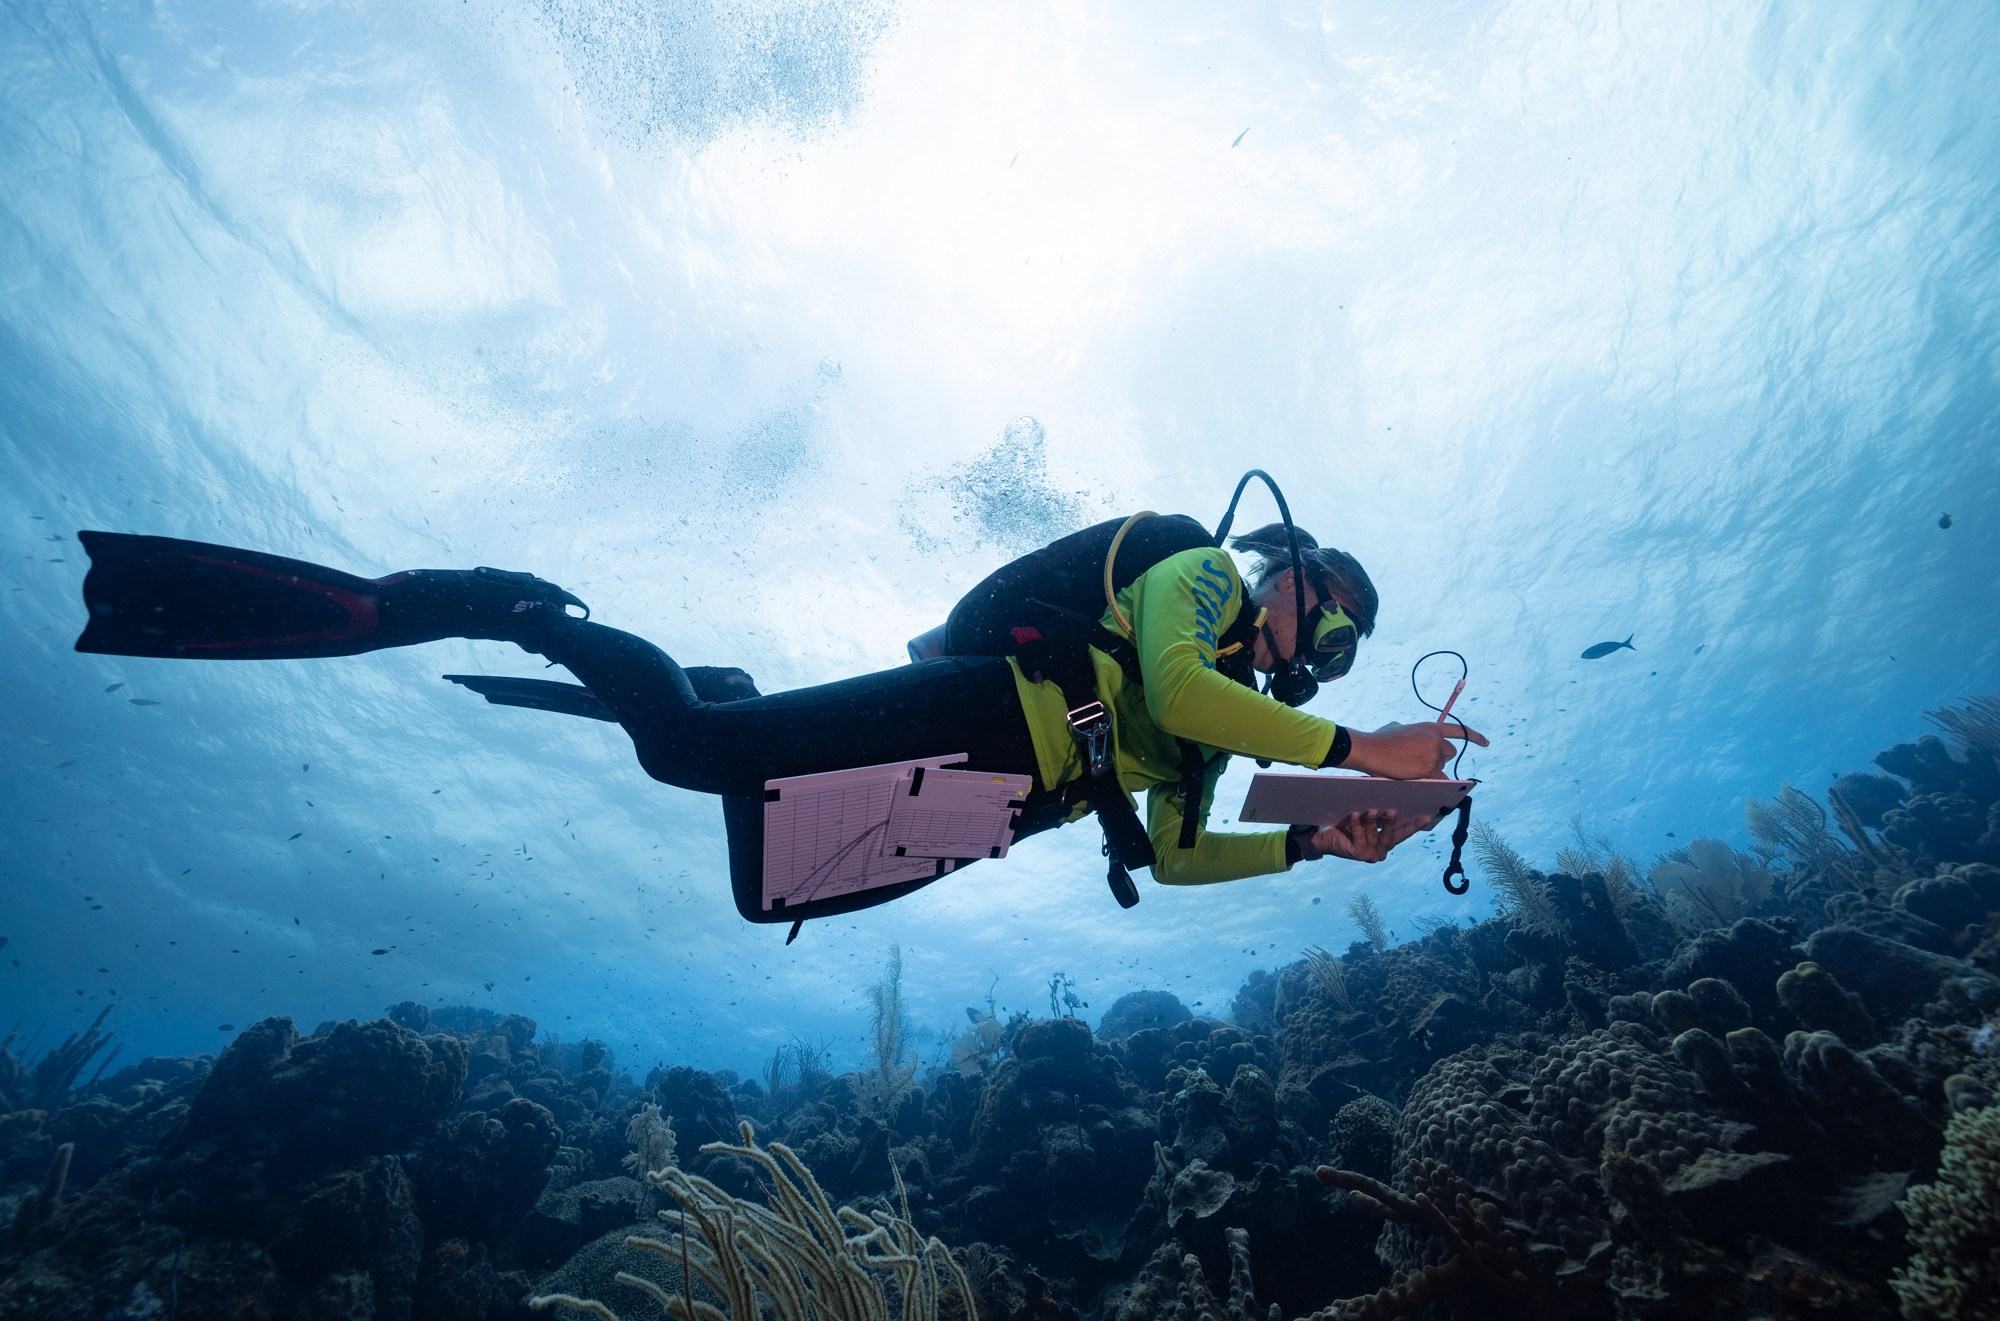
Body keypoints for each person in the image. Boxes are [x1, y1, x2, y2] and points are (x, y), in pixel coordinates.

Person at [74, 516, 1484, 928]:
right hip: (996, 706)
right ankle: (511, 604)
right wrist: (1366, 749)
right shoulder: (1195, 569)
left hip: (1002, 804)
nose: (1331, 646)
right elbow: (1169, 686)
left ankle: (731, 694)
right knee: (689, 749)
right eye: (1331, 611)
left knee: (765, 886)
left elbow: (1176, 855)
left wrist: (1316, 848)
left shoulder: (1242, 741)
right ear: (1281, 569)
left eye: (1349, 646)